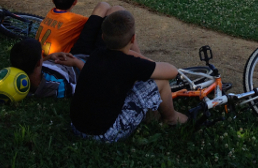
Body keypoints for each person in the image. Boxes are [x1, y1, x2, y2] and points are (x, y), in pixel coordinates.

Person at [70, 10, 188, 142]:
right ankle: (171, 118)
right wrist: (139, 57)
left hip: (76, 127)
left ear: (103, 37)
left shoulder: (97, 54)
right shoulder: (131, 64)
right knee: (161, 82)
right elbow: (172, 71)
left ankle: (154, 114)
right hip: (104, 134)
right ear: (133, 39)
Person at [35, 0, 123, 56]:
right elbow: (93, 26)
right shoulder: (76, 20)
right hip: (64, 61)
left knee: (104, 5)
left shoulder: (50, 13)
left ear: (53, 1)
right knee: (116, 11)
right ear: (75, 2)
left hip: (44, 58)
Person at [10, 38, 84, 98]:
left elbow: (36, 63)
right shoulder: (54, 87)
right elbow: (87, 86)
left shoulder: (30, 71)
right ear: (39, 62)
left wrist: (51, 56)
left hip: (75, 56)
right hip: (85, 65)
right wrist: (77, 62)